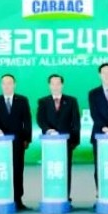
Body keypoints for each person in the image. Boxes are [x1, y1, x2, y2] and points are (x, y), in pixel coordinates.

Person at [0, 74, 33, 210]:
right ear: (1, 85)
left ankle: (18, 199)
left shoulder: (22, 100)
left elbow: (27, 120)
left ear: (14, 84)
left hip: (18, 141)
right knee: (3, 169)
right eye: (4, 83)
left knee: (18, 170)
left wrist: (27, 138)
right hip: (0, 143)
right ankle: (3, 197)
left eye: (10, 83)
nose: (7, 86)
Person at [36, 74, 81, 202]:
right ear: (49, 85)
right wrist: (48, 130)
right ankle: (51, 195)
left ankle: (65, 196)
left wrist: (75, 140)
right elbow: (40, 119)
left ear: (62, 85)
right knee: (51, 168)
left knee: (65, 169)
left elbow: (76, 122)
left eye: (58, 83)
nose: (55, 86)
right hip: (49, 142)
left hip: (66, 142)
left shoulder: (71, 101)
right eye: (53, 84)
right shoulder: (43, 101)